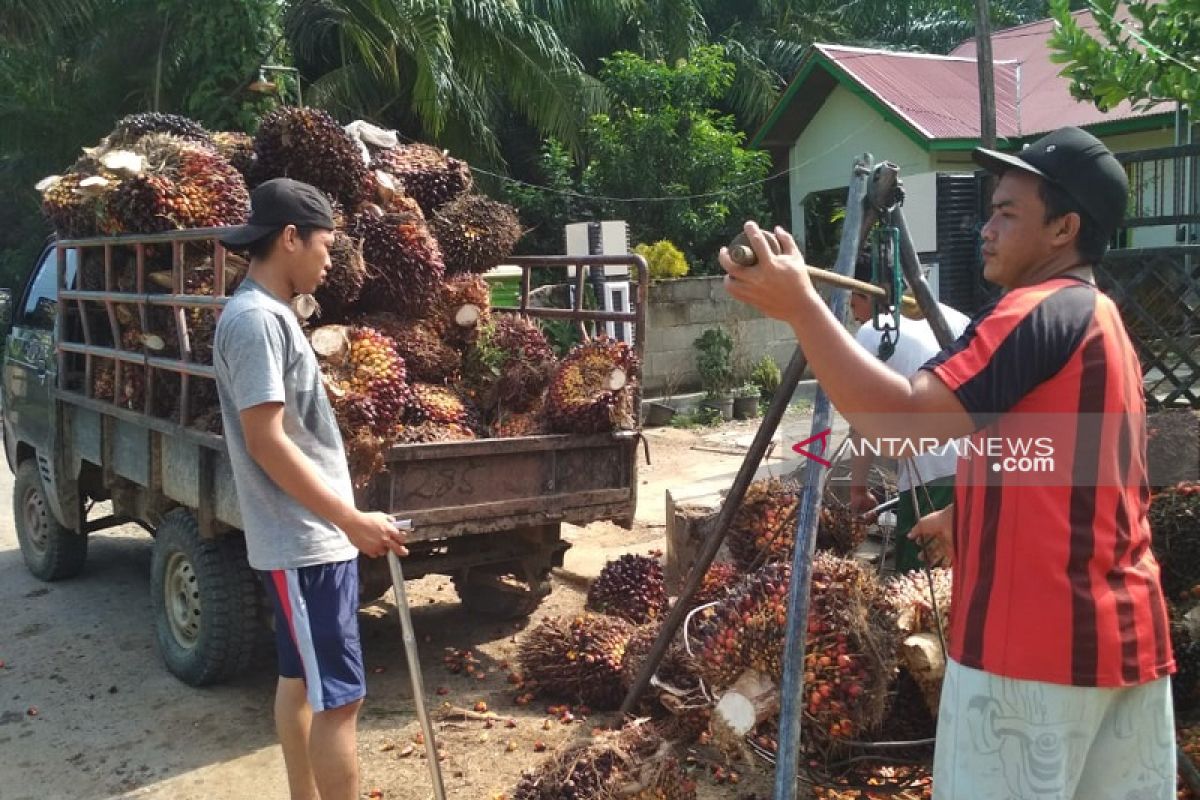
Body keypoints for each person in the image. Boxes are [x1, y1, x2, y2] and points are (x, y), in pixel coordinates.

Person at [721, 127, 1175, 799]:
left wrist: (800, 309)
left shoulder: (1032, 312)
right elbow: (1080, 466)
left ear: (1064, 228)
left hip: (1030, 665)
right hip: (1127, 645)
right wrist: (969, 511)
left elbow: (896, 424)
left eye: (1007, 212)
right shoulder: (1101, 321)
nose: (984, 227)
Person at [214, 178, 408, 800]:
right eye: (325, 244)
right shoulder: (254, 323)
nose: (331, 258)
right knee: (341, 702)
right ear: (291, 238)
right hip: (306, 543)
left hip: (308, 538)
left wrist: (347, 516)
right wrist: (348, 520)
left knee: (300, 681)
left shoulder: (269, 315)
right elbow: (266, 441)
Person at [846, 261, 970, 573]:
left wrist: (858, 488)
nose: (852, 310)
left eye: (854, 299)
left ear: (870, 293)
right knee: (963, 567)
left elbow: (861, 422)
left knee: (919, 579)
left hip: (931, 470)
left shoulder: (872, 331)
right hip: (979, 464)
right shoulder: (953, 317)